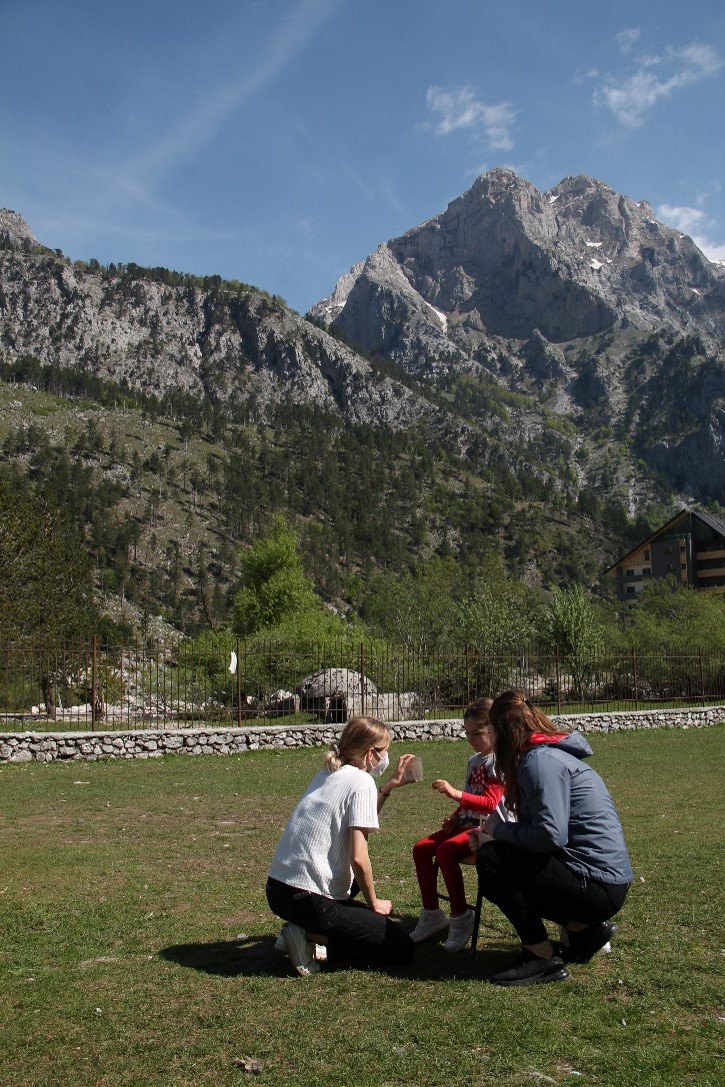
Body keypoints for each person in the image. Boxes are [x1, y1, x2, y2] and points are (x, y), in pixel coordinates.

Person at [472, 690, 633, 986]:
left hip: (598, 885)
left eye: (492, 728)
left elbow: (550, 835)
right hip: (604, 881)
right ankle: (582, 932)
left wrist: (497, 832)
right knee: (499, 855)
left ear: (503, 730)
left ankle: (540, 956)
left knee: (492, 862)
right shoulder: (547, 755)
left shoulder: (539, 762)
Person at [266, 716, 416, 976]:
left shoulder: (330, 771)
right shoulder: (362, 782)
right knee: (401, 948)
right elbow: (359, 858)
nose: (386, 757)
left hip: (279, 891)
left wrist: (389, 786)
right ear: (371, 753)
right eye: (384, 751)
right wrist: (374, 903)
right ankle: (307, 933)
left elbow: (361, 818)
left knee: (353, 886)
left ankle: (303, 929)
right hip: (310, 899)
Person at [409, 698, 513, 952]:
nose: (471, 739)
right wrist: (455, 816)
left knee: (445, 851)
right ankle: (432, 913)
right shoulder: (474, 761)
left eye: (477, 733)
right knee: (421, 848)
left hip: (489, 828)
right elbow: (471, 796)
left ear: (495, 728)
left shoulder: (500, 762)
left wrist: (455, 794)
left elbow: (489, 803)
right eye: (468, 733)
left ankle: (460, 915)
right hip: (467, 823)